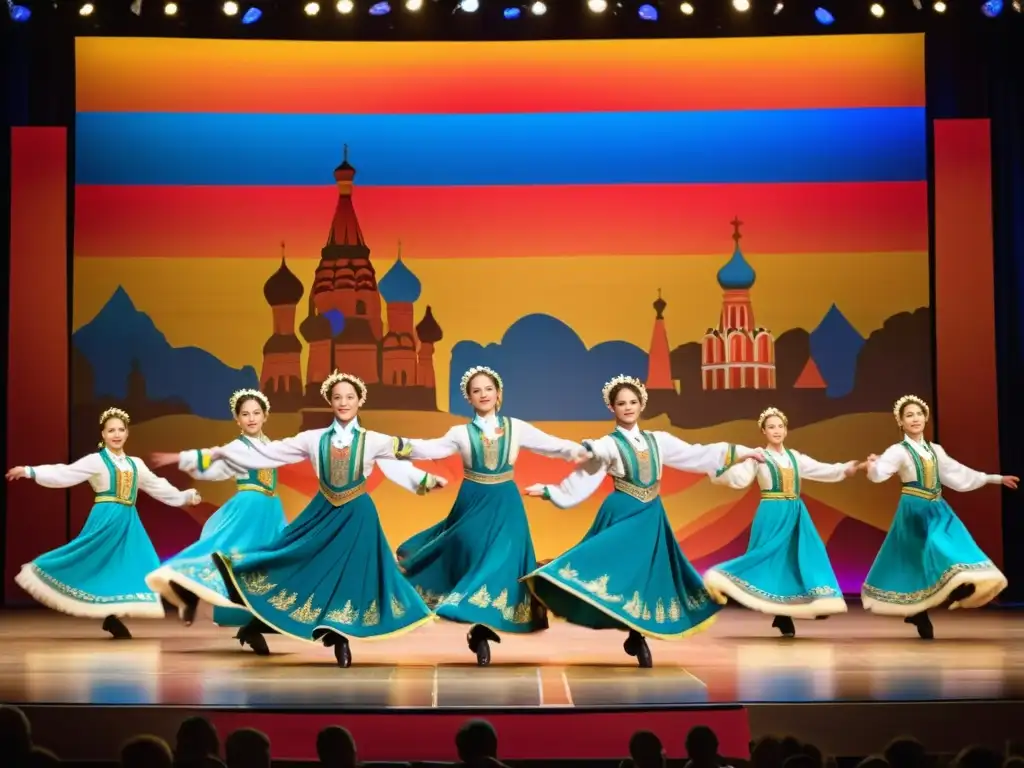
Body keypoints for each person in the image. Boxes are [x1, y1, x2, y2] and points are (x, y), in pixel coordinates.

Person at [153, 371, 446, 666]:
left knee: (354, 574)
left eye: (349, 397)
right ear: (330, 402)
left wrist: (431, 471)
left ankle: (336, 632)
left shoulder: (373, 440)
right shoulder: (312, 439)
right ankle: (264, 620)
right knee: (305, 570)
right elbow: (262, 456)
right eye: (337, 397)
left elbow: (409, 452)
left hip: (358, 516)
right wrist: (190, 457)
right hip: (323, 513)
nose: (343, 402)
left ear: (360, 401)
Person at [521, 375, 763, 667]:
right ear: (612, 408)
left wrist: (742, 452)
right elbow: (588, 470)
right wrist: (552, 490)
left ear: (641, 404)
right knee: (608, 567)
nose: (627, 407)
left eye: (632, 402)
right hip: (623, 512)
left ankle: (637, 634)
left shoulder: (657, 441)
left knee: (647, 577)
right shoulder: (609, 444)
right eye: (621, 403)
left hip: (651, 515)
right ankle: (551, 587)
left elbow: (696, 454)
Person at [394, 365, 590, 666]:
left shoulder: (516, 427)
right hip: (472, 504)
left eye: (488, 389)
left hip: (506, 504)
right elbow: (429, 448)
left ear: (498, 393)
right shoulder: (460, 433)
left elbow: (551, 445)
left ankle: (482, 628)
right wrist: (398, 446)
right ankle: (477, 624)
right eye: (476, 391)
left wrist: (579, 451)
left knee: (502, 562)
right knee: (477, 563)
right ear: (469, 399)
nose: (483, 394)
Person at [6, 408, 201, 638]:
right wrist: (30, 471)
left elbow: (157, 486)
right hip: (106, 518)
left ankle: (115, 616)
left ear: (127, 433)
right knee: (91, 559)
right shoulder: (96, 461)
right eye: (111, 430)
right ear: (103, 434)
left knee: (145, 564)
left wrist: (184, 497)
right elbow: (65, 474)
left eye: (120, 430)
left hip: (129, 521)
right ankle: (52, 576)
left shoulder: (135, 464)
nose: (116, 434)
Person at [862, 394, 1018, 639]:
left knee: (951, 547)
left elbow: (957, 473)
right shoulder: (898, 451)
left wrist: (994, 478)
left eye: (918, 414)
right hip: (914, 510)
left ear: (926, 418)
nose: (915, 419)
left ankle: (952, 592)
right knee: (920, 560)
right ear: (901, 422)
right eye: (909, 415)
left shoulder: (935, 450)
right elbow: (880, 473)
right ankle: (919, 612)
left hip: (937, 507)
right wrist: (873, 466)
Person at [147, 390, 287, 654]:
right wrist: (186, 462)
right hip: (248, 510)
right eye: (245, 414)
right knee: (228, 556)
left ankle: (253, 627)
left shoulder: (272, 446)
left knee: (267, 570)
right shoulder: (236, 447)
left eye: (256, 413)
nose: (251, 418)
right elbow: (215, 466)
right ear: (237, 420)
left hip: (269, 512)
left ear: (265, 416)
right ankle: (186, 587)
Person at [703, 407, 857, 637]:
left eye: (780, 426)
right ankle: (722, 577)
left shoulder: (795, 457)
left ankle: (805, 605)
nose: (776, 431)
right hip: (772, 513)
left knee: (797, 559)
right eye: (771, 427)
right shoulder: (759, 456)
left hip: (795, 513)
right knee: (769, 559)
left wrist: (847, 468)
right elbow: (739, 478)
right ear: (764, 431)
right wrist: (718, 469)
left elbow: (821, 469)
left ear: (786, 430)